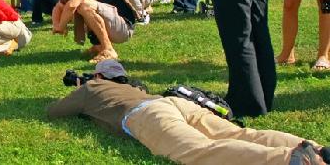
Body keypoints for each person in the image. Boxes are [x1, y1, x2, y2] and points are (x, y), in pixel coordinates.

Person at [47, 59, 330, 165]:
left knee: (197, 150)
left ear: (98, 76)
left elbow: (55, 111)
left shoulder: (92, 88)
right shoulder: (134, 87)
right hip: (174, 104)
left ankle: (290, 160)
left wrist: (82, 88)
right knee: (240, 133)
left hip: (146, 115)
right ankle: (316, 149)